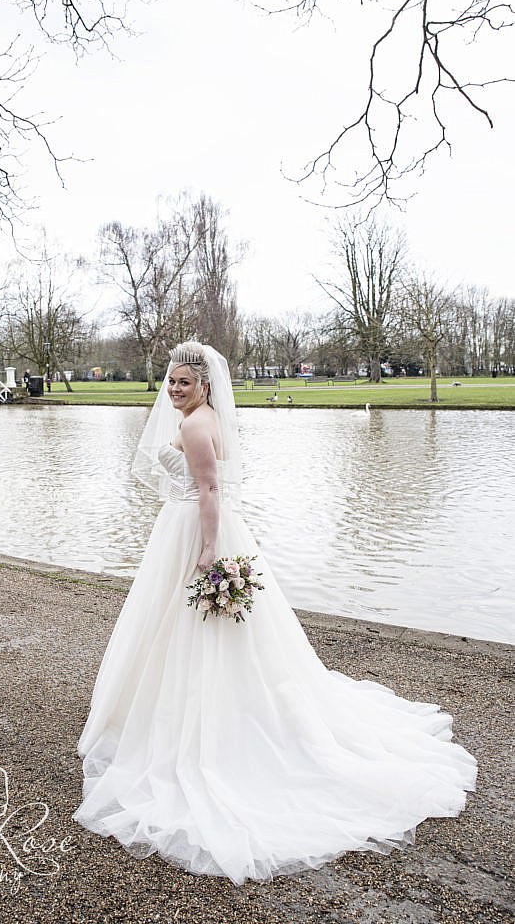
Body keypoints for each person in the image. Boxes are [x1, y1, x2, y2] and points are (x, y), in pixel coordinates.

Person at [72, 340, 477, 885]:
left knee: (188, 628)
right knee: (203, 634)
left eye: (183, 383)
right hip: (197, 523)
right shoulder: (206, 416)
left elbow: (210, 489)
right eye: (170, 381)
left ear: (205, 386)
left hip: (196, 529)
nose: (173, 390)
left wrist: (208, 553)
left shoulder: (194, 426)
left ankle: (198, 731)